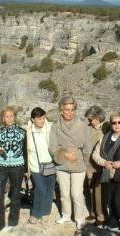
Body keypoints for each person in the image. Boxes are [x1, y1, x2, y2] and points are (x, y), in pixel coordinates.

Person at [48, 96, 93, 230]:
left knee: (77, 193)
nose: (69, 112)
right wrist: (65, 154)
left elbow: (88, 147)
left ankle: (79, 218)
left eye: (72, 109)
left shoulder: (82, 125)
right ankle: (66, 215)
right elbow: (52, 146)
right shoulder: (56, 126)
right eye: (66, 109)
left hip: (78, 162)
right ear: (61, 110)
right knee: (64, 193)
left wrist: (88, 165)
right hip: (62, 162)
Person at [26, 107, 55, 224]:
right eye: (39, 119)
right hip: (35, 166)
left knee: (49, 189)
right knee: (40, 189)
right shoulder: (28, 131)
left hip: (50, 164)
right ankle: (36, 213)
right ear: (33, 119)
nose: (42, 121)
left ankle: (46, 213)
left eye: (43, 118)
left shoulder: (50, 128)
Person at [84, 105, 109, 225]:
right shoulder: (87, 128)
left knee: (99, 191)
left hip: (101, 165)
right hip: (88, 164)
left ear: (98, 118)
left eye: (90, 119)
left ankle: (101, 216)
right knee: (90, 191)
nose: (89, 121)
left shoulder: (106, 128)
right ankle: (93, 213)